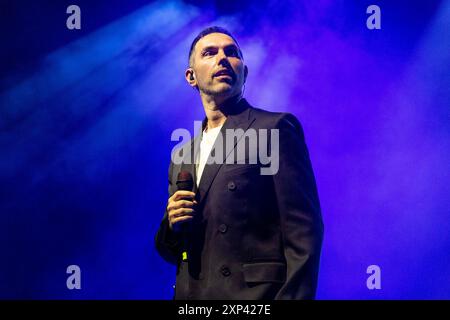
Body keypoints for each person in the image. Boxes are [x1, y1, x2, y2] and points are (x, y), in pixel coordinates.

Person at [155, 26, 324, 300]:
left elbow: (304, 233)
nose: (222, 58)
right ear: (191, 76)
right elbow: (173, 250)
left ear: (244, 72)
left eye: (231, 53)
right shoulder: (182, 154)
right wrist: (172, 226)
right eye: (209, 53)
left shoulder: (273, 128)